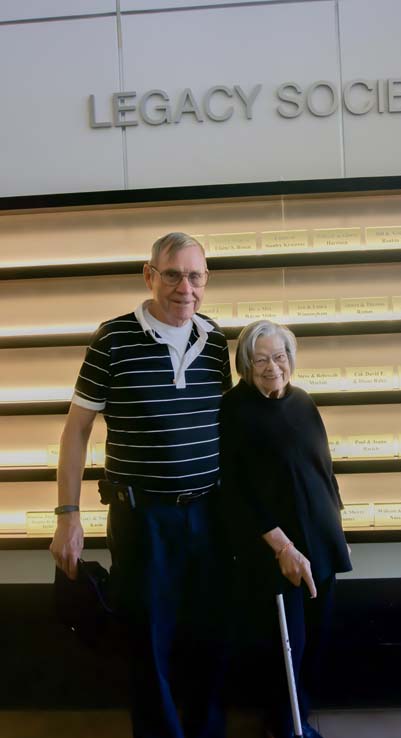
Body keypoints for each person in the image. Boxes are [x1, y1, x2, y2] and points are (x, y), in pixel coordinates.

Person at [50, 232, 232, 738]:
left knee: (208, 636)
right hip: (142, 517)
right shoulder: (113, 338)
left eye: (195, 276)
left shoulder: (216, 341)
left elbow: (229, 429)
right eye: (172, 274)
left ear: (206, 281)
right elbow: (76, 431)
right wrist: (67, 516)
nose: (185, 288)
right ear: (149, 275)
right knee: (148, 641)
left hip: (209, 516)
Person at [219, 320, 352, 738]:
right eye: (260, 359)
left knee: (314, 640)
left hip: (321, 546)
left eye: (279, 357)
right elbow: (235, 491)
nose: (272, 366)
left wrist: (335, 526)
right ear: (245, 363)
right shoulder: (235, 410)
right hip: (278, 552)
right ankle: (287, 726)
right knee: (285, 648)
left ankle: (302, 717)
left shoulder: (302, 401)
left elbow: (321, 470)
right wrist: (282, 547)